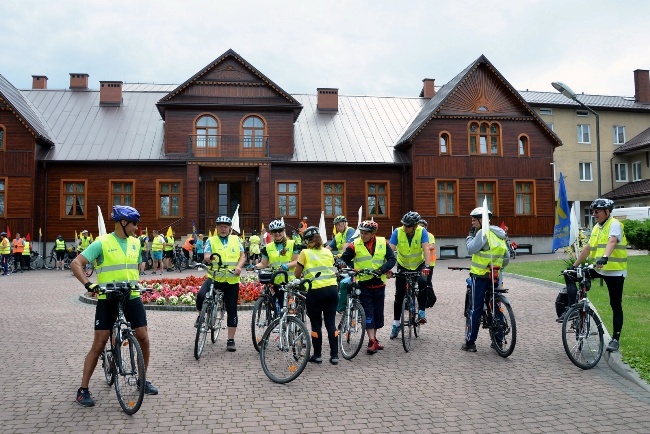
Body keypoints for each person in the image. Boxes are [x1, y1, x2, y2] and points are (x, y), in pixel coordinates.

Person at [70, 205, 158, 407]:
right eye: (134, 223)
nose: (137, 227)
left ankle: (142, 380)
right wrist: (88, 284)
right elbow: (76, 263)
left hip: (132, 296)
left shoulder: (136, 244)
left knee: (143, 338)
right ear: (123, 223)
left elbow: (132, 271)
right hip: (107, 297)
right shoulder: (102, 242)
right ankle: (83, 389)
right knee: (99, 343)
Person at [572, 198, 627, 353]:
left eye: (597, 211)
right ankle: (573, 307)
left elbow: (612, 241)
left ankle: (615, 339)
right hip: (599, 268)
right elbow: (588, 248)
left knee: (615, 304)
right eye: (593, 211)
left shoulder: (614, 224)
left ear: (607, 212)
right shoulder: (597, 227)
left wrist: (605, 257)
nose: (594, 214)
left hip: (615, 270)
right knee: (572, 275)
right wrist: (574, 265)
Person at [338, 220, 396, 354]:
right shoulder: (355, 244)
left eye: (366, 233)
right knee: (368, 312)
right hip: (363, 283)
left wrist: (382, 270)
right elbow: (345, 258)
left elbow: (392, 259)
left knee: (377, 313)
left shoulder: (383, 242)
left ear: (373, 233)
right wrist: (343, 263)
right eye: (361, 233)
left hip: (379, 283)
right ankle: (371, 341)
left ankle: (374, 339)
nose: (363, 235)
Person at [463, 207, 509, 352]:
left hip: (480, 276)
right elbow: (506, 257)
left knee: (475, 308)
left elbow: (470, 249)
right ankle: (499, 339)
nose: (472, 222)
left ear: (482, 220)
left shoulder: (482, 234)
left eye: (474, 220)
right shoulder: (499, 234)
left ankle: (470, 342)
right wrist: (497, 268)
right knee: (496, 306)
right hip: (495, 275)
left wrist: (470, 236)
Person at [197, 216, 246, 352]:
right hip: (215, 277)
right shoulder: (211, 240)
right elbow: (206, 255)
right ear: (217, 228)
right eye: (220, 226)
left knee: (232, 310)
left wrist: (239, 267)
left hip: (231, 280)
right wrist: (209, 257)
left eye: (225, 226)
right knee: (201, 296)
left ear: (229, 228)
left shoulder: (236, 240)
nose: (223, 229)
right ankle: (200, 316)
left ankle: (230, 340)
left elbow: (243, 256)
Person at [294, 226, 339, 365]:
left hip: (315, 291)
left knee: (316, 324)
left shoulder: (305, 253)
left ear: (307, 241)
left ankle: (318, 355)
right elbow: (332, 269)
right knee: (331, 322)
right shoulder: (328, 252)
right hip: (332, 289)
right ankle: (335, 355)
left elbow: (296, 274)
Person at [388, 211, 431, 339]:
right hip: (403, 264)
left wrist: (427, 267)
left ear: (415, 226)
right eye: (404, 225)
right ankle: (396, 324)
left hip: (419, 264)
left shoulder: (422, 231)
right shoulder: (397, 232)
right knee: (399, 294)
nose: (405, 227)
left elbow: (426, 249)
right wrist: (387, 268)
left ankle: (422, 311)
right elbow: (390, 250)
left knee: (423, 282)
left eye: (408, 226)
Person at [255, 219, 300, 309]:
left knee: (291, 309)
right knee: (277, 307)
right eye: (274, 231)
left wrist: (287, 266)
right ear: (271, 233)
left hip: (289, 281)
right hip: (275, 281)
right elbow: (263, 264)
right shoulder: (267, 247)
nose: (277, 233)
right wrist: (254, 266)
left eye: (280, 230)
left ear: (283, 231)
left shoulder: (291, 244)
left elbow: (296, 261)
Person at [418, 219, 437, 306]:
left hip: (429, 263)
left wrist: (424, 247)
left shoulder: (429, 235)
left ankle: (431, 298)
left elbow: (432, 246)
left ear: (426, 227)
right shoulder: (417, 235)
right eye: (419, 226)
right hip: (420, 262)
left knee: (427, 281)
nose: (421, 227)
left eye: (422, 226)